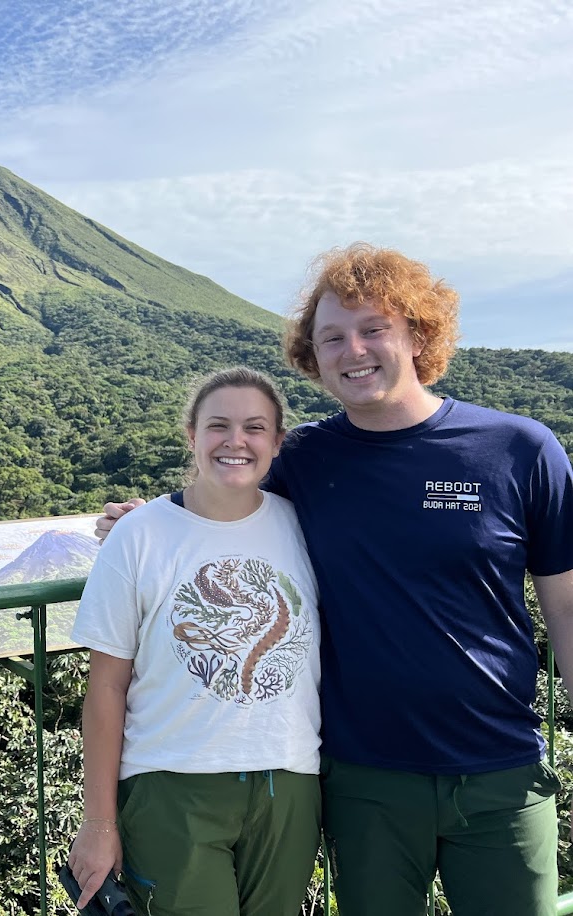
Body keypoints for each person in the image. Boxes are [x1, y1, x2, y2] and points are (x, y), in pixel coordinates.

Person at [96, 243, 573, 916]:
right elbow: (220, 496)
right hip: (363, 779)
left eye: (373, 328)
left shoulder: (519, 450)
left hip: (500, 769)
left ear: (418, 333)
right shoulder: (305, 459)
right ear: (312, 357)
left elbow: (567, 610)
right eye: (332, 338)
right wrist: (142, 518)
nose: (354, 350)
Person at [68, 367, 323, 916]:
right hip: (171, 782)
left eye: (255, 428)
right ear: (191, 435)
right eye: (218, 426)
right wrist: (99, 821)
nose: (236, 441)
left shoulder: (304, 527)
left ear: (278, 443)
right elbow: (106, 689)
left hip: (289, 778)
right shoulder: (138, 535)